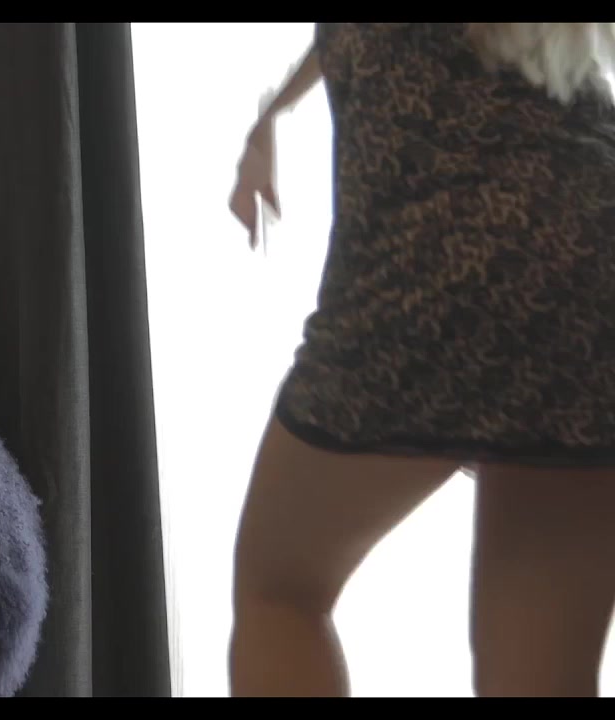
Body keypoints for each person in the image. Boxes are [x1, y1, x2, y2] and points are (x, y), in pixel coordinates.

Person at [227, 23, 615, 697]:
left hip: (436, 256)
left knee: (281, 591)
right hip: (590, 249)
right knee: (536, 681)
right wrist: (274, 112)